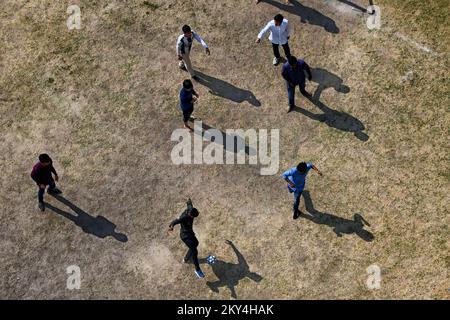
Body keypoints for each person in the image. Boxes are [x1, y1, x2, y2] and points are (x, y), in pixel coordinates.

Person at [169, 198, 205, 279]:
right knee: (194, 251)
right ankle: (197, 270)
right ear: (190, 215)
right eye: (194, 217)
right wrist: (171, 226)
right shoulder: (184, 217)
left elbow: (189, 202)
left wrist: (187, 199)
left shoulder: (190, 209)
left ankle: (186, 259)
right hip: (185, 236)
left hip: (190, 233)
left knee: (196, 243)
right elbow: (175, 221)